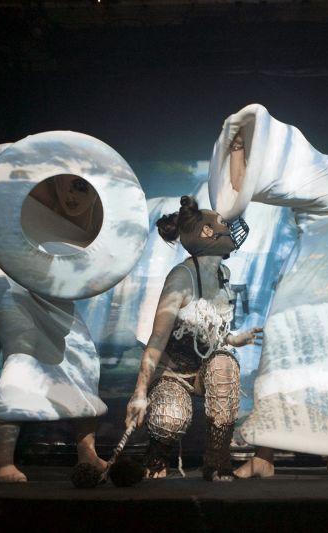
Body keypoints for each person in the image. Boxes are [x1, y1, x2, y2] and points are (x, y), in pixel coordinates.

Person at [207, 104, 328, 478]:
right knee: (282, 365)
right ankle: (263, 456)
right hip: (302, 289)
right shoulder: (314, 180)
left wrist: (240, 146)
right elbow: (237, 194)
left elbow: (244, 189)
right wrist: (236, 148)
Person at [0, 132, 149, 483]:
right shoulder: (36, 191)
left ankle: (87, 454)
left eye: (80, 187)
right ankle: (2, 462)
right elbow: (3, 160)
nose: (70, 195)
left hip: (54, 290)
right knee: (22, 349)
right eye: (66, 186)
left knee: (83, 359)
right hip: (7, 280)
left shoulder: (106, 216)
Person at [125, 196, 264, 482]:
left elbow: (215, 333)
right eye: (223, 223)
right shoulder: (181, 276)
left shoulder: (223, 274)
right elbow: (158, 337)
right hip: (173, 371)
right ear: (206, 232)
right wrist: (140, 392)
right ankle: (157, 454)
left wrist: (236, 340)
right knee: (169, 420)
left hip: (205, 371)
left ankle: (216, 461)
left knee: (225, 367)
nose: (230, 227)